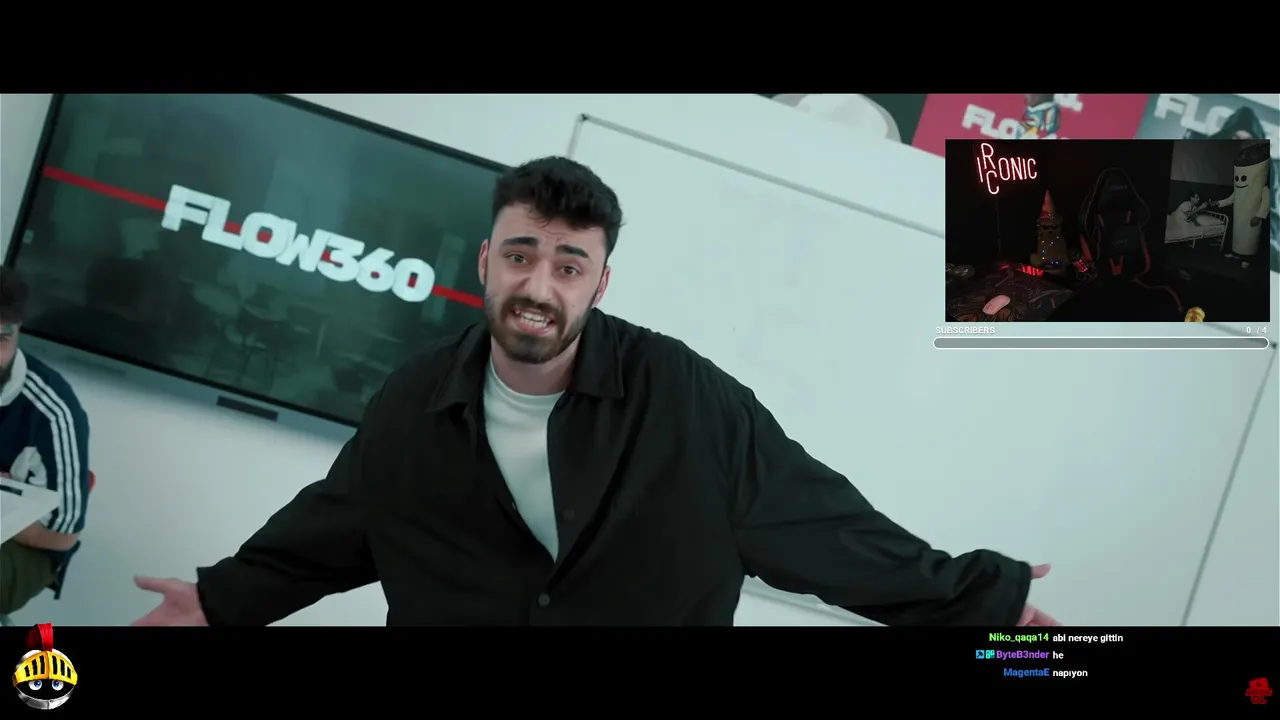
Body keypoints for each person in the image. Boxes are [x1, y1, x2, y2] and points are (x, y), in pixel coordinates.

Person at [135, 157, 1059, 627]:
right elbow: (329, 530)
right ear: (486, 261)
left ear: (601, 282)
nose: (539, 286)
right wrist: (217, 602)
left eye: (569, 264)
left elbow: (821, 526)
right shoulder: (415, 402)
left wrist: (979, 601)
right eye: (521, 255)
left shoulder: (686, 400)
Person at [0, 267, 92, 615]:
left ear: (18, 331)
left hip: (28, 549)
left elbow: (63, 534)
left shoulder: (52, 411)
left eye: (1, 339)